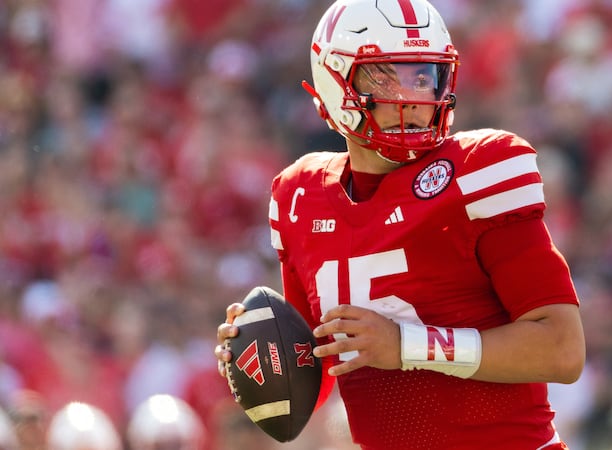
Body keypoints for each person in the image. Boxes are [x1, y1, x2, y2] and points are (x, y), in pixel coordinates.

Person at [214, 0, 585, 449]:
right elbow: (318, 374)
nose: (410, 96)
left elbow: (562, 349)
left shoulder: (477, 170)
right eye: (385, 75)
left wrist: (409, 345)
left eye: (423, 76)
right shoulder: (299, 196)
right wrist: (258, 359)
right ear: (334, 82)